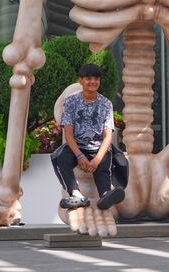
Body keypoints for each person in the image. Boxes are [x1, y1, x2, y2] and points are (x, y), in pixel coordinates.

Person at [51, 64, 125, 210]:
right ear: (81, 81)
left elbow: (107, 135)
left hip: (97, 145)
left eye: (96, 78)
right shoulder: (71, 102)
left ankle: (105, 195)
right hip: (76, 145)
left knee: (105, 159)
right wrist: (79, 156)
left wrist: (96, 160)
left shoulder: (106, 104)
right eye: (88, 78)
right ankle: (75, 194)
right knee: (60, 157)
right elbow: (68, 133)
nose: (93, 82)